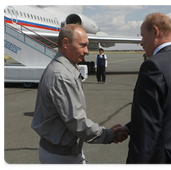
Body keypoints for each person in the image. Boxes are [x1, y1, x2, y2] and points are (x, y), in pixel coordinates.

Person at [31, 24, 127, 165]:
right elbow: (77, 122)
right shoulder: (61, 75)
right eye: (82, 45)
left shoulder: (66, 68)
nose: (87, 51)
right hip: (61, 157)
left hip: (62, 151)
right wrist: (108, 135)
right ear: (65, 43)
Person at [113, 13, 171, 164]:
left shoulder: (153, 65)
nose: (141, 42)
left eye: (143, 36)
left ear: (155, 32)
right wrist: (129, 128)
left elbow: (148, 127)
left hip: (161, 158)